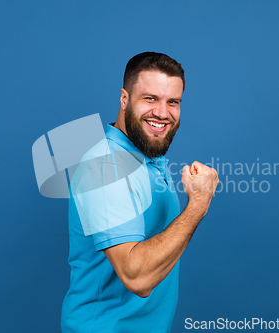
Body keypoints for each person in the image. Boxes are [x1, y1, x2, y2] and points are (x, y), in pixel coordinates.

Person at [61, 52, 219, 333]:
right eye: (150, 98)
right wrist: (198, 205)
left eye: (173, 102)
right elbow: (138, 279)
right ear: (124, 100)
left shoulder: (149, 157)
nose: (162, 112)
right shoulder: (106, 167)